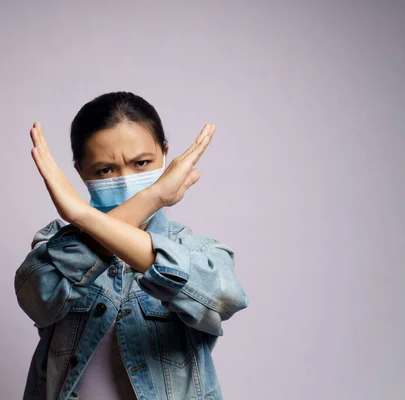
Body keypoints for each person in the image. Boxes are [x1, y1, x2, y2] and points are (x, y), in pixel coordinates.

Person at [14, 91, 248, 400]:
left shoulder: (199, 252)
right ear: (81, 172)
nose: (126, 179)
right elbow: (39, 297)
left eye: (141, 163)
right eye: (105, 170)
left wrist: (82, 213)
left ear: (165, 155)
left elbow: (224, 299)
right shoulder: (55, 248)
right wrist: (150, 198)